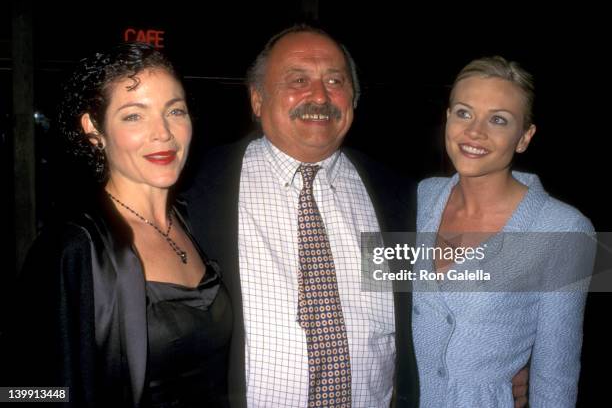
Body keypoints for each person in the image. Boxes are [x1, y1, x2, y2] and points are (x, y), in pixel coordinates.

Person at [183, 25, 419, 407]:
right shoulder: (194, 190)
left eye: (335, 81)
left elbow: (444, 296)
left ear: (353, 100)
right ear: (257, 99)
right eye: (298, 79)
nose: (320, 96)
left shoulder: (400, 197)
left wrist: (509, 356)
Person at [5, 42, 231, 407]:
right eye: (133, 116)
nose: (163, 133)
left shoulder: (196, 219)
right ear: (95, 129)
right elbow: (23, 392)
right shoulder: (73, 247)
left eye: (175, 111)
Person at [412, 56, 595, 406]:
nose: (474, 131)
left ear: (524, 137)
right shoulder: (419, 198)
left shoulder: (564, 230)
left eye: (498, 120)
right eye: (464, 112)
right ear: (447, 118)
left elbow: (555, 374)